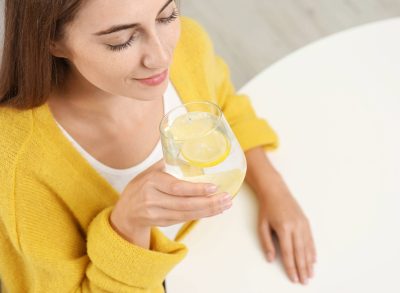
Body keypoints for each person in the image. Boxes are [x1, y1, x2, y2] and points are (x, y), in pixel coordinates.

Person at [0, 0, 316, 292]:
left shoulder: (189, 46)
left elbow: (224, 106)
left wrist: (275, 191)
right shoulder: (18, 167)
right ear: (52, 40)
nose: (162, 56)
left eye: (167, 15)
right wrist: (127, 224)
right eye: (120, 40)